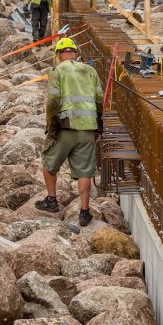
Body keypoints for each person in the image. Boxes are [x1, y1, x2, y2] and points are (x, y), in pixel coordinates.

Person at [35, 38, 103, 226]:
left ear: (58, 55)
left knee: (49, 162)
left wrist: (51, 124)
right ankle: (84, 211)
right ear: (75, 53)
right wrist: (99, 126)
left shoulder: (58, 71)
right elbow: (99, 100)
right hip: (88, 129)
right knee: (84, 172)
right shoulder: (91, 71)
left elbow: (53, 101)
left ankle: (51, 200)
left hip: (65, 127)